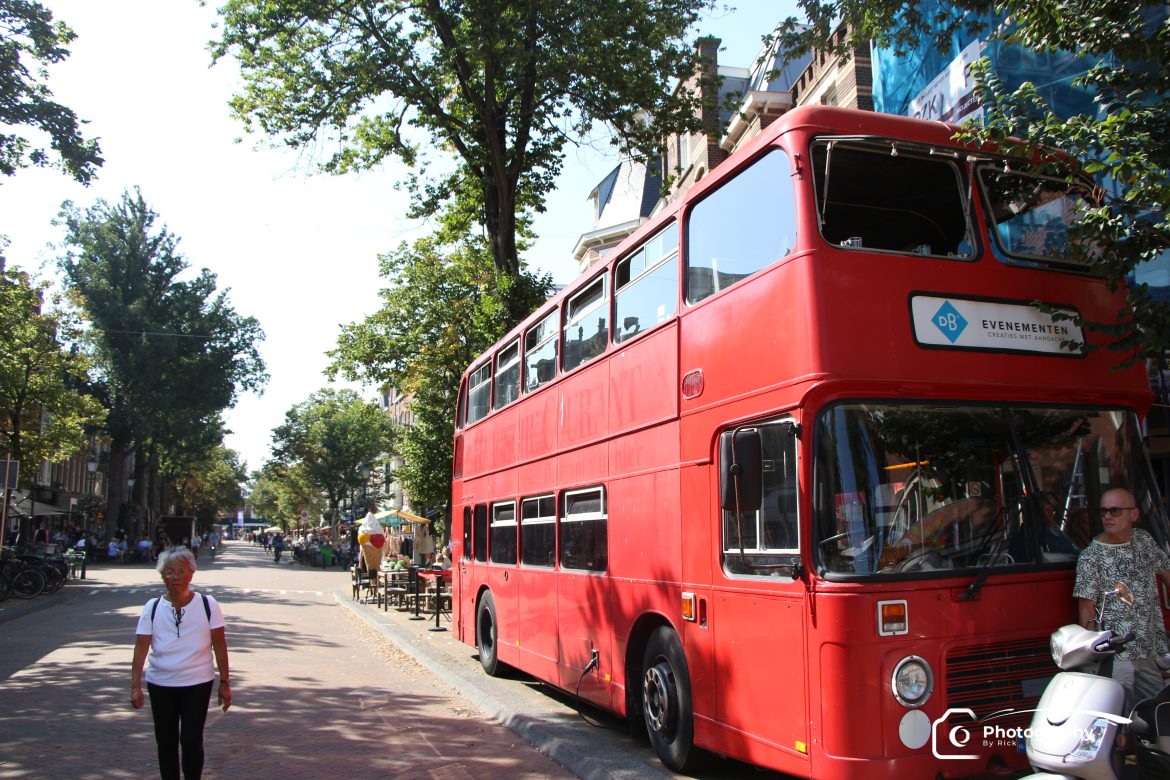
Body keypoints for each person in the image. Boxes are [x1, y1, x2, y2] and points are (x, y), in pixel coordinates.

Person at [130, 547, 231, 779]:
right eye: (169, 572)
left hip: (197, 682)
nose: (175, 577)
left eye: (180, 572)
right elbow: (141, 648)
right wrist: (135, 685)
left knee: (191, 739)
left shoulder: (208, 605)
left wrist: (225, 682)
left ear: (191, 575)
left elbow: (220, 645)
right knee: (165, 741)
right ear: (162, 576)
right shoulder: (152, 608)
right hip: (161, 683)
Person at [1074, 487, 1170, 708]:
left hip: (1150, 651)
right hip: (1116, 658)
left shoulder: (1143, 540)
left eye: (1115, 510)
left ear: (1134, 514)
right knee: (1118, 721)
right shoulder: (1090, 557)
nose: (1107, 516)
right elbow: (1086, 609)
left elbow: (1167, 575)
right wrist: (1092, 658)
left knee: (1156, 715)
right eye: (1104, 511)